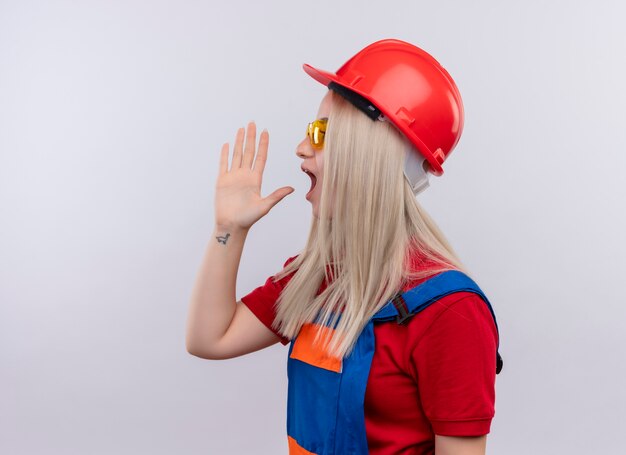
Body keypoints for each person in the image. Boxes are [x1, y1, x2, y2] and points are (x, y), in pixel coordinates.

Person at [186, 39, 502, 455]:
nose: (301, 148)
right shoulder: (319, 277)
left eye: (320, 132)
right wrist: (228, 229)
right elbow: (210, 339)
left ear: (370, 152)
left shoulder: (451, 313)